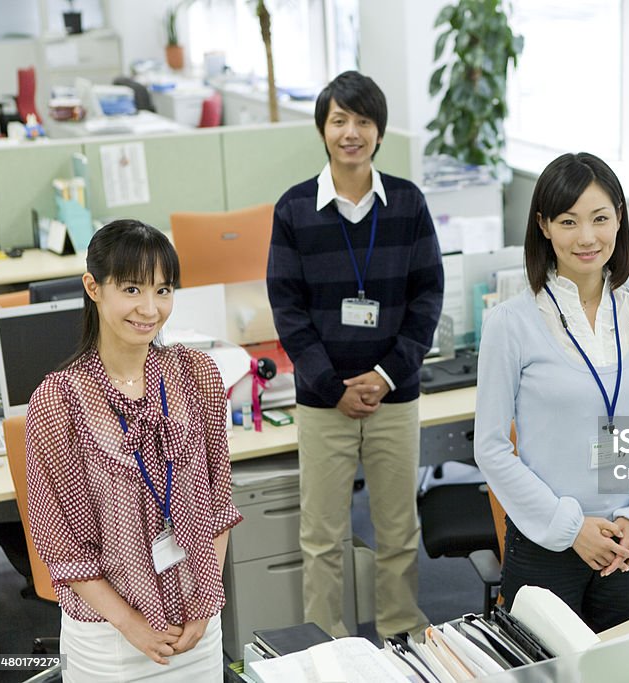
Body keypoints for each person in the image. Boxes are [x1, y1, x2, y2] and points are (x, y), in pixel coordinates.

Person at [25, 219, 242, 681]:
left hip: (195, 630)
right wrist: (131, 624)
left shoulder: (196, 375)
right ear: (93, 287)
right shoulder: (59, 400)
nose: (150, 308)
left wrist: (205, 604)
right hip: (111, 642)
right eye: (131, 288)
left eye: (163, 291)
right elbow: (60, 546)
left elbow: (218, 506)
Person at [267, 70, 443, 638]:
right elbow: (287, 310)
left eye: (363, 121)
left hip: (394, 397)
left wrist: (387, 375)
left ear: (379, 132)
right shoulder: (294, 210)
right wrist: (332, 385)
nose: (351, 132)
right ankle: (326, 643)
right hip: (324, 404)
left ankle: (400, 632)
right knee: (321, 538)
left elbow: (427, 299)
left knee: (398, 531)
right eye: (339, 120)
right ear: (323, 129)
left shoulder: (408, 204)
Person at [474, 152, 629, 632]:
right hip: (548, 543)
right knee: (546, 669)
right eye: (569, 221)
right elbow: (492, 448)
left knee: (624, 670)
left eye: (601, 219)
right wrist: (571, 528)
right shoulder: (511, 323)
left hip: (626, 543)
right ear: (543, 226)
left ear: (619, 219)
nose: (587, 237)